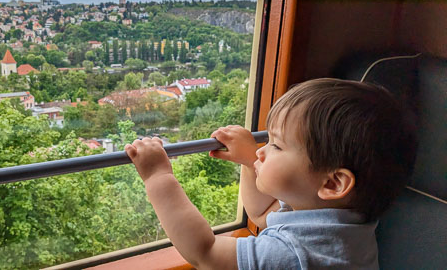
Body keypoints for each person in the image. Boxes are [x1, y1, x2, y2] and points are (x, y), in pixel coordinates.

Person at [124, 78, 416, 269]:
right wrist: (251, 161)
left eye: (276, 145)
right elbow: (263, 213)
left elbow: (206, 252)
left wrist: (158, 178)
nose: (262, 150)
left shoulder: (292, 254)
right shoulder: (342, 224)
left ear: (333, 182)